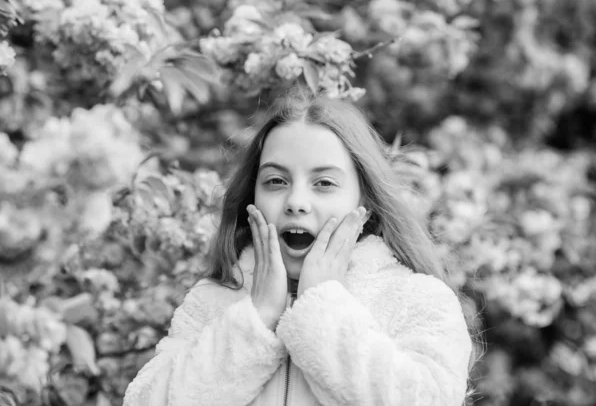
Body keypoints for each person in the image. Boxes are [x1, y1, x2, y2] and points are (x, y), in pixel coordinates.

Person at [122, 86, 474, 406]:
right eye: (276, 181)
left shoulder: (418, 300)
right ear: (253, 196)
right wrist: (256, 319)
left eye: (323, 182)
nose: (296, 202)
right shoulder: (211, 301)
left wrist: (323, 307)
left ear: (363, 199)